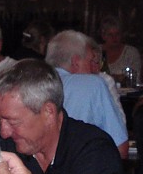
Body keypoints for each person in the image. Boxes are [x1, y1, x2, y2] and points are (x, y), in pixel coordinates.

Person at [45, 30, 129, 158]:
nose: (95, 69)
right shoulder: (93, 84)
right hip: (81, 166)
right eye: (91, 61)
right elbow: (120, 149)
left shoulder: (31, 83)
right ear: (76, 62)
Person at [99, 15, 141, 82]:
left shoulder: (131, 53)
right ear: (103, 36)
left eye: (117, 34)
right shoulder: (96, 52)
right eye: (110, 35)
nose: (114, 38)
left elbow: (136, 77)